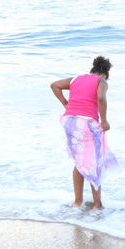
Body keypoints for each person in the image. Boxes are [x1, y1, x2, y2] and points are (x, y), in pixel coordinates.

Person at [50, 56, 118, 210]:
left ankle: (77, 202)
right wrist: (104, 121)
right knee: (94, 162)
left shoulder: (76, 79)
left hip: (69, 122)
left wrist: (66, 104)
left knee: (79, 162)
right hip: (86, 123)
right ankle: (97, 205)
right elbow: (100, 97)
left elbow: (54, 85)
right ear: (104, 74)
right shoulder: (101, 81)